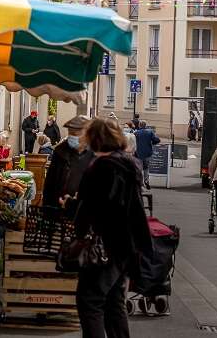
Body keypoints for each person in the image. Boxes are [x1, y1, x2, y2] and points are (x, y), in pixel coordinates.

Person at [74, 117, 152, 338]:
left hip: (105, 243)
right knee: (113, 301)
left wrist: (73, 210)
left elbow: (92, 206)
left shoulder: (101, 168)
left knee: (90, 301)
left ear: (95, 139)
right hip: (127, 244)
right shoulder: (128, 164)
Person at [42, 114, 93, 209]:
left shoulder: (95, 154)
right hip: (57, 206)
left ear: (88, 134)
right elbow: (50, 182)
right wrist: (47, 207)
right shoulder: (60, 151)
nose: (72, 136)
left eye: (76, 133)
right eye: (70, 132)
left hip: (82, 210)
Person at [134, 121, 160, 190]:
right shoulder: (150, 132)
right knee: (146, 168)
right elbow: (157, 140)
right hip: (147, 153)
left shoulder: (136, 133)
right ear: (145, 126)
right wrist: (152, 143)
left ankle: (140, 183)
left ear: (139, 125)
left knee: (139, 168)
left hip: (138, 153)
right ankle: (146, 180)